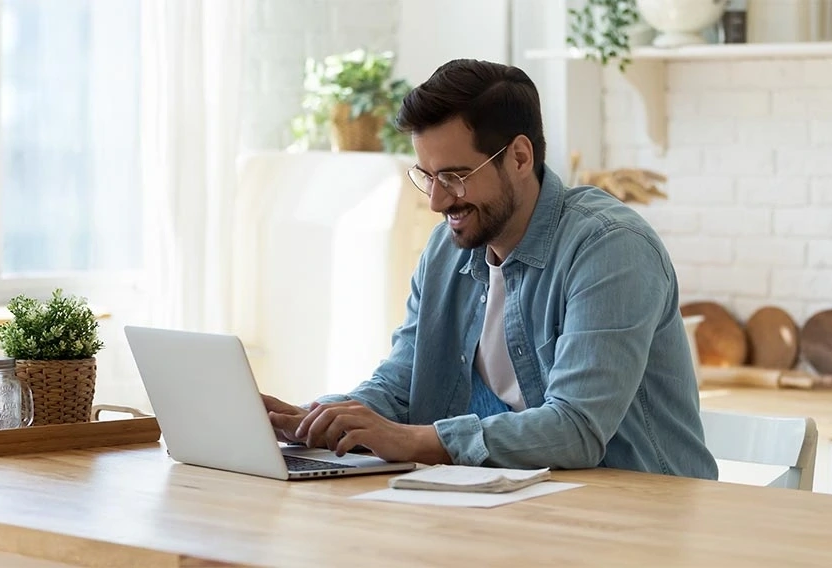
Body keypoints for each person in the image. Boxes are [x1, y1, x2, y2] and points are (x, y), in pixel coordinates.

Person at [262, 59, 717, 479]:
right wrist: (316, 418)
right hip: (525, 507)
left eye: (454, 177)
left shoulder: (610, 248)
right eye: (427, 176)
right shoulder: (446, 250)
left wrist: (415, 441)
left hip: (644, 517)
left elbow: (577, 428)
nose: (437, 201)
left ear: (519, 158)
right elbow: (403, 383)